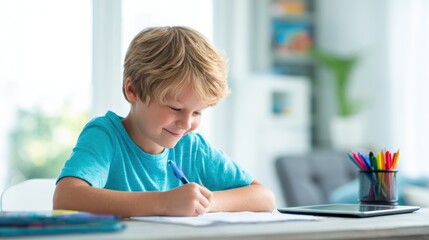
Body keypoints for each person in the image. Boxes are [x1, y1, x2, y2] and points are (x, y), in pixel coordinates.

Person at [53, 26, 276, 217]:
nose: (186, 123)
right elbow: (66, 197)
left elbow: (264, 197)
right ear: (133, 90)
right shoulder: (105, 136)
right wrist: (164, 203)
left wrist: (205, 203)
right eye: (175, 108)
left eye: (198, 112)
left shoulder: (191, 147)